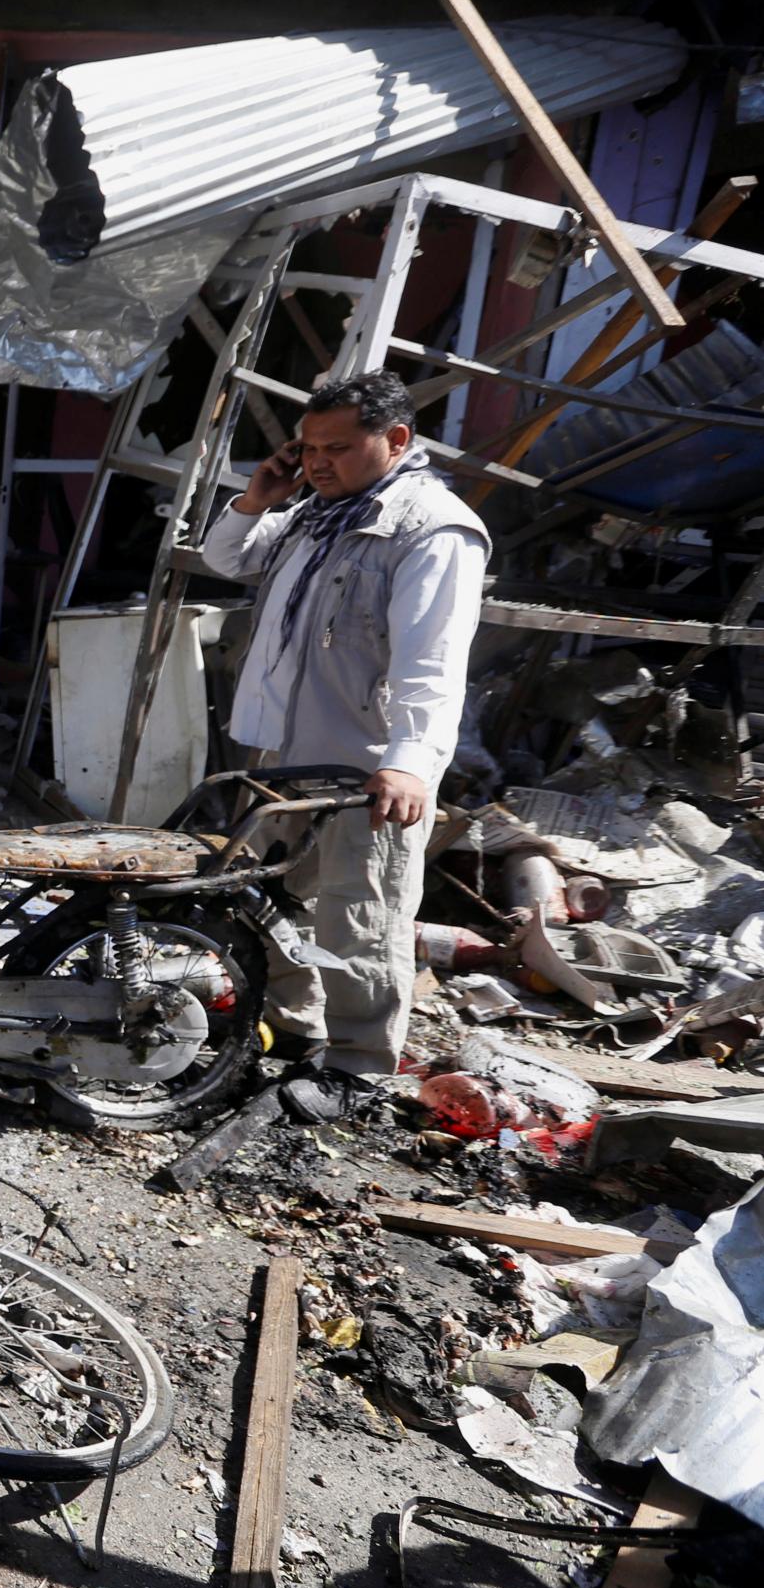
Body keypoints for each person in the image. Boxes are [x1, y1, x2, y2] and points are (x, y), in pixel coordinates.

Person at [200, 368, 488, 1081]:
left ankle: (359, 1068)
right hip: (285, 757)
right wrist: (257, 498)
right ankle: (290, 1029)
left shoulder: (431, 528)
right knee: (262, 901)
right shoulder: (316, 513)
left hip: (367, 770)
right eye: (309, 447)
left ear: (395, 439)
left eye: (337, 447)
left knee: (361, 921)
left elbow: (434, 660)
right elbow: (226, 556)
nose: (319, 462)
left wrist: (411, 761)